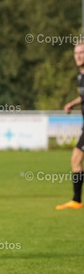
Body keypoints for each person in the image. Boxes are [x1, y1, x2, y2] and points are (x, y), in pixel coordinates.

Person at [56, 41, 84, 210]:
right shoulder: (80, 75)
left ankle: (76, 200)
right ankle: (76, 200)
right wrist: (72, 104)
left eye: (81, 52)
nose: (78, 56)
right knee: (76, 159)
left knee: (76, 158)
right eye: (76, 53)